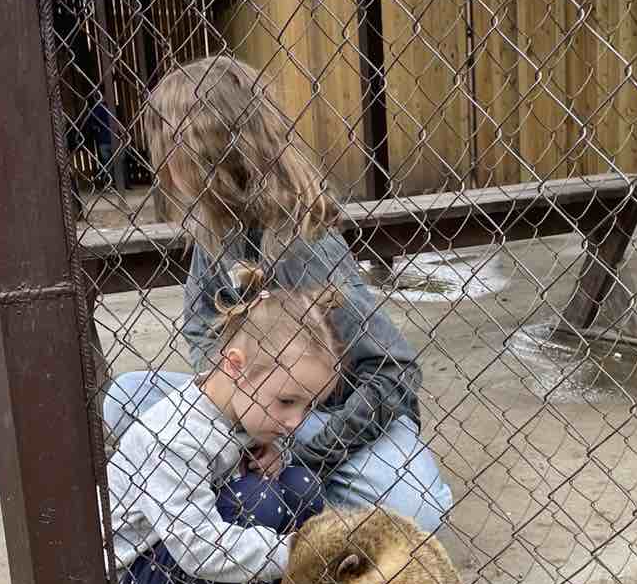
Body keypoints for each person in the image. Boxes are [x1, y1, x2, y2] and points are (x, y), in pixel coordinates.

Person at [103, 55, 454, 533]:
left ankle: (278, 490)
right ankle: (248, 488)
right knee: (126, 395)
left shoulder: (303, 239)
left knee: (420, 513)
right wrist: (246, 409)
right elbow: (201, 326)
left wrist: (300, 448)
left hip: (326, 418)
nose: (161, 167)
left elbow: (393, 372)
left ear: (198, 153)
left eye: (166, 149)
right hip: (252, 402)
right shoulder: (215, 224)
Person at [108, 266, 340, 584]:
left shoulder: (243, 411)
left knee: (299, 485)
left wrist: (273, 453)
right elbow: (196, 545)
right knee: (259, 500)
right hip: (143, 574)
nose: (295, 421)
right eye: (287, 401)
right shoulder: (175, 436)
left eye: (308, 407)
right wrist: (299, 553)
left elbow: (246, 465)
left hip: (188, 546)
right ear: (235, 367)